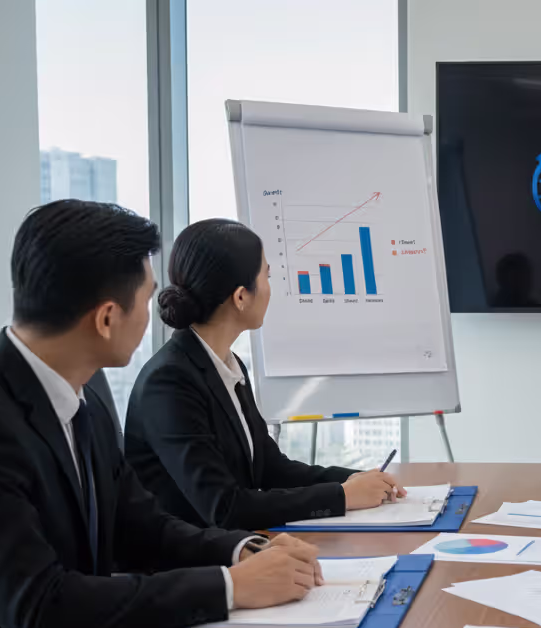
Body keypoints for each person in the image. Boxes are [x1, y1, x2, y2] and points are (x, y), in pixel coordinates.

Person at [0, 201, 319, 628]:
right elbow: (41, 606)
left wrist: (243, 551)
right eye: (145, 299)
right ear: (106, 317)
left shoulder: (87, 393)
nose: (154, 315)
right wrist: (230, 588)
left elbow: (140, 525)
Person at [125, 219, 403, 530]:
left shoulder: (227, 365)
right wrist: (341, 496)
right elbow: (225, 507)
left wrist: (352, 479)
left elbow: (270, 469)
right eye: (267, 276)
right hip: (189, 567)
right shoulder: (169, 383)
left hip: (233, 549)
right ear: (241, 297)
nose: (271, 288)